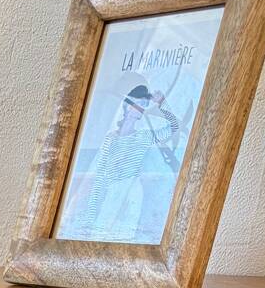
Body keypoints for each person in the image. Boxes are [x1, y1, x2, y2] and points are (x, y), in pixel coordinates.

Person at [63, 84, 180, 241]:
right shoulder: (110, 139)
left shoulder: (143, 137)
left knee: (120, 239)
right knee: (97, 235)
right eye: (137, 103)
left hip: (130, 196)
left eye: (144, 104)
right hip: (110, 194)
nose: (140, 107)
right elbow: (100, 177)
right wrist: (90, 218)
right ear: (127, 106)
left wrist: (162, 102)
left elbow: (174, 127)